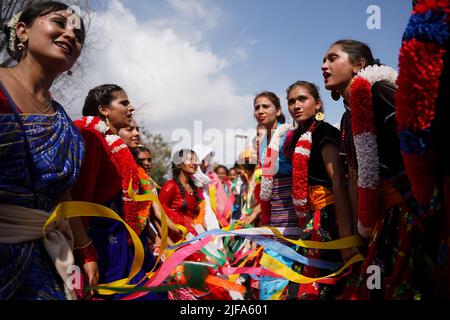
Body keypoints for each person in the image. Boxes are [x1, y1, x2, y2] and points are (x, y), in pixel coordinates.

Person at [321, 39, 439, 299]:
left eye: (332, 58)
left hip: (410, 211)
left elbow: (424, 142)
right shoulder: (346, 117)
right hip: (382, 220)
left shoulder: (380, 92)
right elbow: (354, 175)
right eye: (323, 60)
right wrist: (355, 233)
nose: (324, 65)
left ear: (358, 65)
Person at [0, 2, 98, 300]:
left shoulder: (64, 122)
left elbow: (59, 191)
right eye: (59, 22)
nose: (70, 35)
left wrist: (85, 249)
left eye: (78, 35)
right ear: (22, 30)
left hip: (46, 262)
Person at [71, 85, 160, 300]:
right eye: (124, 103)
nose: (131, 107)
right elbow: (79, 199)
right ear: (104, 110)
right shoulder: (92, 138)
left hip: (118, 237)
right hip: (100, 242)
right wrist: (85, 252)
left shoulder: (113, 143)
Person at [283, 80, 357, 300]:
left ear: (317, 104)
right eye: (291, 101)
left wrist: (346, 237)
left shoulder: (324, 131)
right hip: (312, 219)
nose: (296, 105)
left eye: (302, 99)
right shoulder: (297, 137)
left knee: (325, 286)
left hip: (331, 217)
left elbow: (339, 182)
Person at [118, 119, 180, 251]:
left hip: (146, 233)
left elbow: (154, 215)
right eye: (142, 160)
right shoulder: (130, 177)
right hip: (127, 234)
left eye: (149, 160)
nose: (147, 163)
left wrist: (168, 241)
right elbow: (154, 216)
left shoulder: (150, 183)